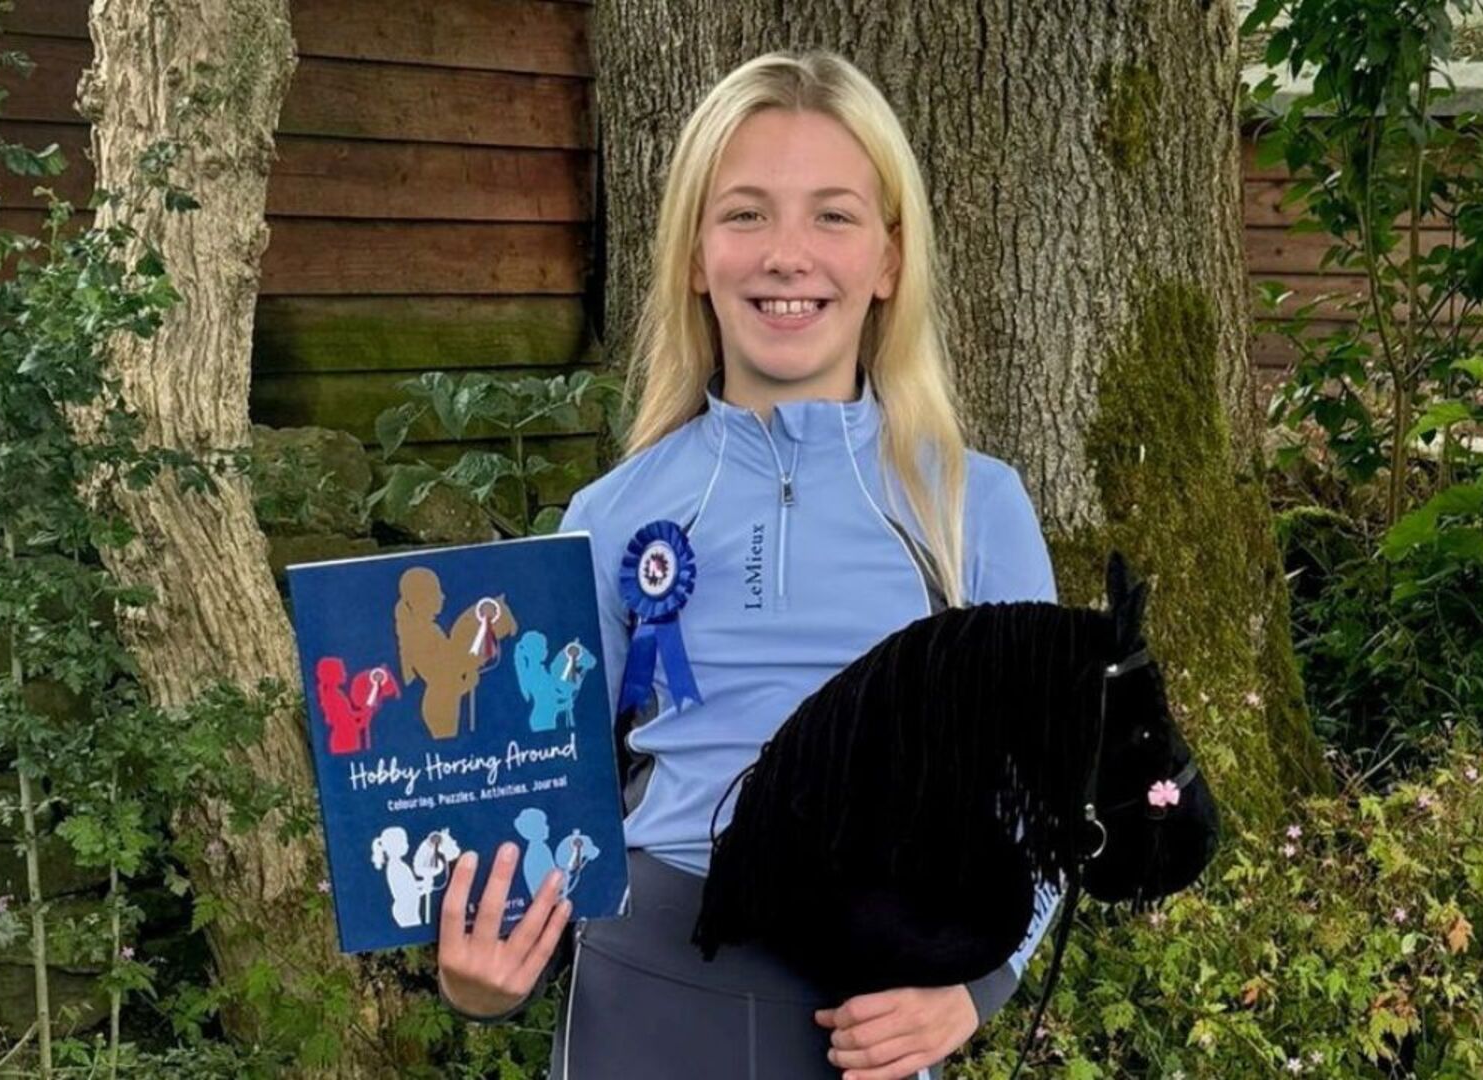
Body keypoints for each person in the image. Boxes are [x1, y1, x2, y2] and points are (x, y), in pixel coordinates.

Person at [435, 50, 1060, 1080]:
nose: (786, 254)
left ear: (890, 261)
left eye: (832, 215)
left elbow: (1047, 797)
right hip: (643, 1000)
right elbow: (524, 795)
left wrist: (974, 987)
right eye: (745, 214)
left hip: (867, 1021)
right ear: (692, 254)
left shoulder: (974, 509)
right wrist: (477, 978)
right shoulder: (609, 517)